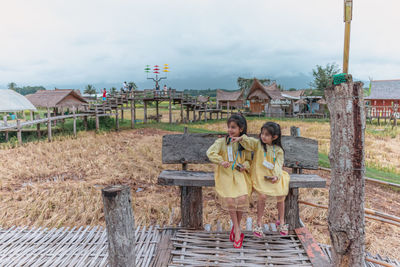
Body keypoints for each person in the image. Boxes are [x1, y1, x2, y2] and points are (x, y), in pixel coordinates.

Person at [231, 121, 290, 236]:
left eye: (267, 135)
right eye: (262, 133)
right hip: (258, 176)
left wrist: (276, 176)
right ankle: (259, 223)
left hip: (272, 175)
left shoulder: (278, 151)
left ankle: (281, 220)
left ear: (275, 137)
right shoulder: (258, 144)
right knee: (262, 195)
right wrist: (240, 139)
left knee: (281, 193)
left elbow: (278, 164)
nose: (263, 136)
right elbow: (249, 142)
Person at [206, 114, 252, 248]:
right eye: (229, 127)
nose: (230, 130)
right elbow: (210, 153)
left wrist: (245, 166)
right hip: (225, 174)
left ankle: (236, 228)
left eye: (233, 127)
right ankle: (238, 230)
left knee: (242, 199)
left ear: (241, 129)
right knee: (231, 200)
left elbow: (250, 159)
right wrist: (221, 161)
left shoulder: (244, 143)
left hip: (240, 174)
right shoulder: (221, 142)